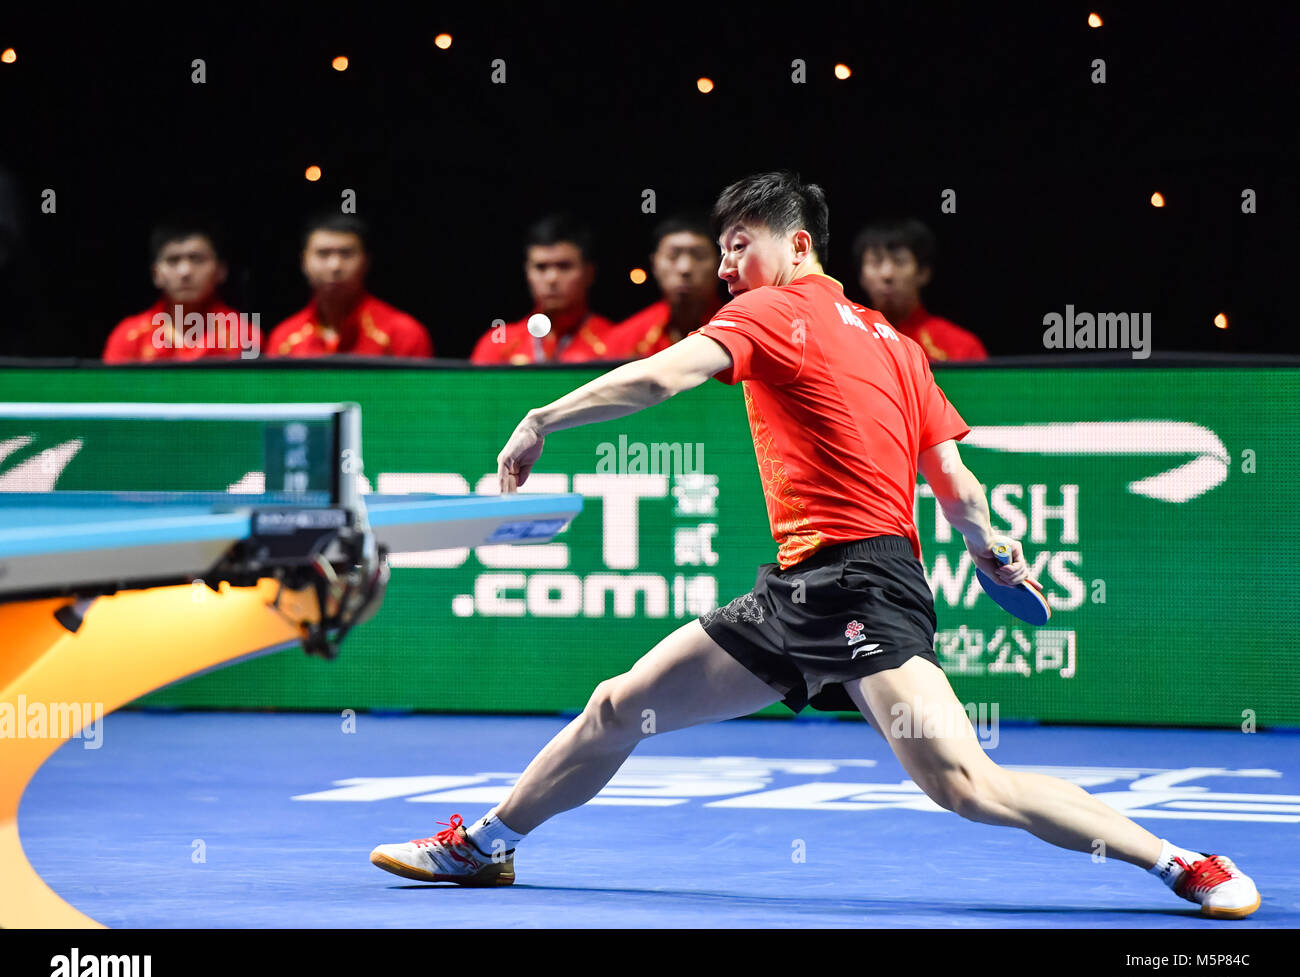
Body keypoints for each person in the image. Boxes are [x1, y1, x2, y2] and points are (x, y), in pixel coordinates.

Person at [370, 171, 1260, 919]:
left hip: (864, 588)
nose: (724, 265)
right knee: (618, 706)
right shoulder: (901, 345)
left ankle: (1182, 862)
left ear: (798, 249)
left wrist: (541, 416)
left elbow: (659, 376)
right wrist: (997, 558)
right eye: (718, 248)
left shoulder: (774, 313)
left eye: (740, 243)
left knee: (965, 783)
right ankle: (486, 846)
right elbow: (957, 488)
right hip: (802, 588)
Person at [267, 213, 433, 358]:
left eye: (346, 254)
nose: (335, 266)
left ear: (366, 261)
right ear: (304, 261)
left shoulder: (404, 334)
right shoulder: (283, 338)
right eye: (323, 254)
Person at [469, 214, 614, 364]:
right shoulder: (497, 345)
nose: (551, 278)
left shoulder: (613, 343)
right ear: (527, 273)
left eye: (564, 266)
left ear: (589, 273)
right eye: (541, 267)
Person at [103, 222, 256, 363]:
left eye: (197, 259)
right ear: (156, 274)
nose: (185, 271)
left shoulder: (245, 336)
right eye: (173, 260)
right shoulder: (129, 337)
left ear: (221, 270)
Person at [854, 218, 988, 362]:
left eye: (899, 261)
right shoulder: (846, 338)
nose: (887, 274)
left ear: (923, 272)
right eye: (876, 262)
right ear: (861, 276)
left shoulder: (961, 347)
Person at [603, 213, 724, 359]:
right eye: (672, 256)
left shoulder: (741, 332)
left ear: (720, 263)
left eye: (699, 256)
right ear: (654, 264)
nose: (684, 268)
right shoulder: (622, 342)